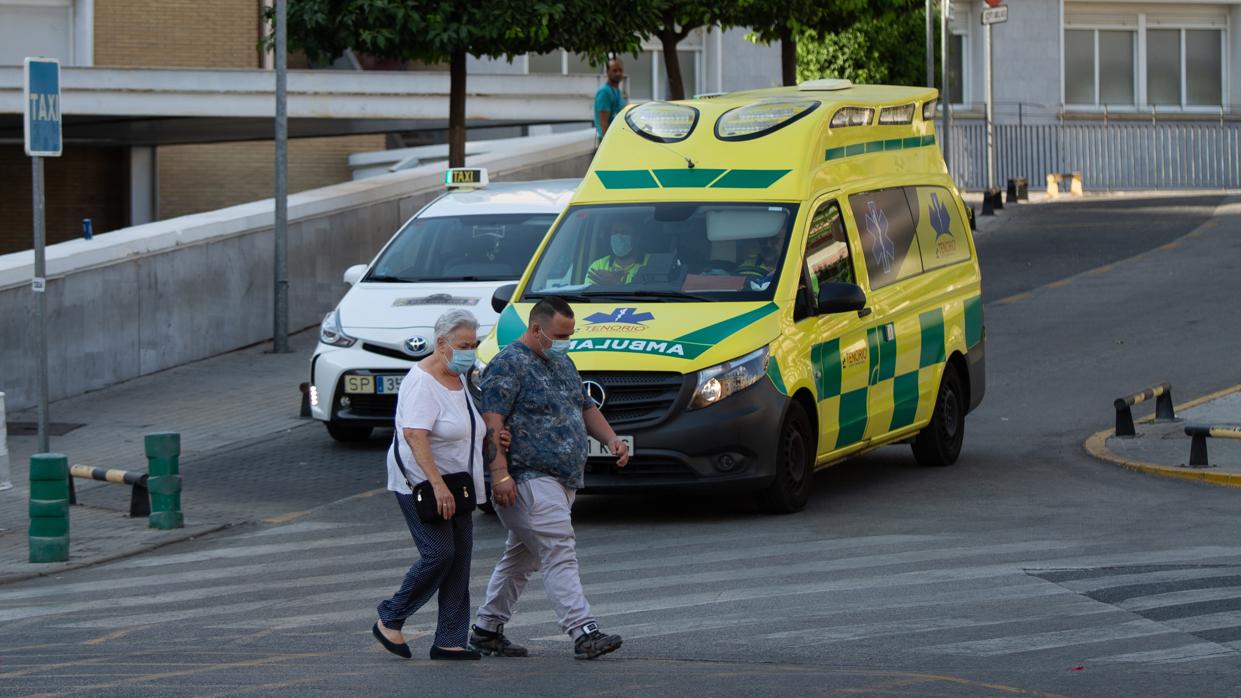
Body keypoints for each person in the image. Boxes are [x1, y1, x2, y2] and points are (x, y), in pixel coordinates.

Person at [469, 297, 631, 660]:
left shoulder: (562, 362)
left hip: (562, 479)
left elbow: (585, 407)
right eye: (560, 335)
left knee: (520, 558)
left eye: (570, 335)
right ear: (537, 329)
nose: (565, 342)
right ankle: (582, 630)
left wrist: (611, 439)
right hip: (527, 478)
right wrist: (500, 476)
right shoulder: (508, 364)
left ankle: (486, 629)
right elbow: (492, 423)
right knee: (559, 548)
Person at [373, 309, 507, 661]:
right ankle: (391, 616)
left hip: (459, 484)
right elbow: (415, 437)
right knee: (439, 554)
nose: (470, 350)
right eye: (464, 344)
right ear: (441, 343)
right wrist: (437, 486)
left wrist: (490, 434)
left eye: (474, 344)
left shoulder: (458, 375)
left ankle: (449, 640)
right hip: (422, 482)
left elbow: (464, 423)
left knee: (459, 559)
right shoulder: (422, 382)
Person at [586, 219, 647, 285]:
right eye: (615, 233)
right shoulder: (598, 266)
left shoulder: (651, 263)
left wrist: (616, 285)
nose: (619, 237)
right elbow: (588, 293)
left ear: (636, 238)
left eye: (624, 233)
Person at [594, 58, 626, 143]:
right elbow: (603, 123)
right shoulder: (605, 92)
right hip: (607, 141)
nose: (618, 73)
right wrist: (607, 143)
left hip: (616, 139)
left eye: (620, 70)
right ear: (607, 72)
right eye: (614, 70)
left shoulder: (617, 91)